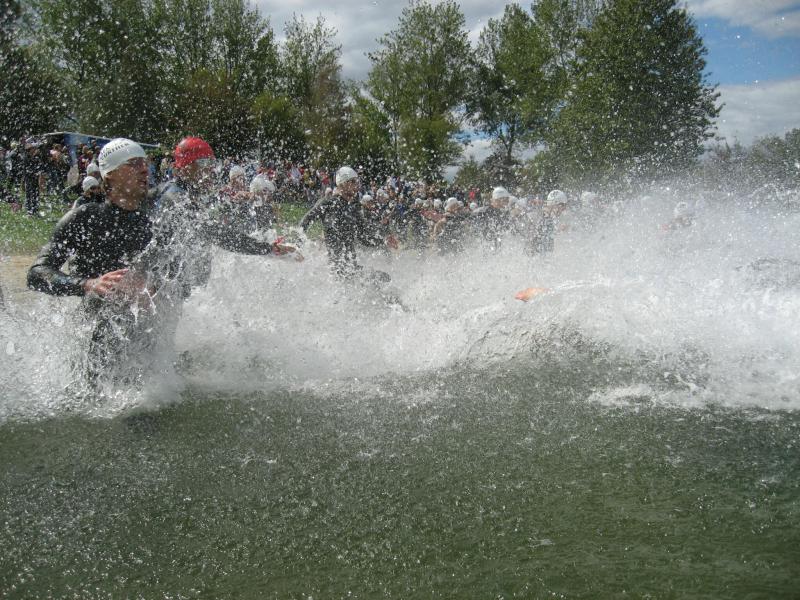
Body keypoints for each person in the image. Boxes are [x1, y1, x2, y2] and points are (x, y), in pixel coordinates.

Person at [27, 138, 157, 383]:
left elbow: (179, 278)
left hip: (142, 337)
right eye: (133, 164)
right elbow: (36, 274)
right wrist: (89, 284)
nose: (144, 169)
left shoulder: (153, 224)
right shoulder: (83, 219)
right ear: (109, 176)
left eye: (145, 163)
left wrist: (153, 286)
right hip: (91, 338)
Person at [300, 166, 394, 280]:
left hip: (351, 267)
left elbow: (364, 237)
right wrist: (298, 245)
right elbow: (305, 222)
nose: (357, 185)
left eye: (357, 181)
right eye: (353, 182)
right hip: (338, 269)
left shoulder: (354, 208)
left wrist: (383, 242)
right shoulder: (328, 203)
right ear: (343, 183)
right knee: (383, 279)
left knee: (385, 278)